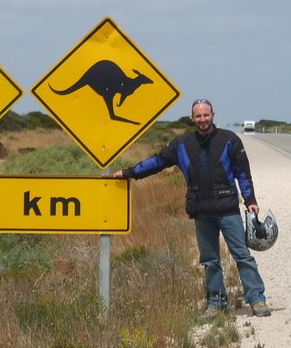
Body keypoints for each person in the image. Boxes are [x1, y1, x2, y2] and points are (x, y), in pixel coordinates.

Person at [114, 98, 271, 318]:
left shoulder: (230, 140)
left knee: (242, 256)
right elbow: (156, 162)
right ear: (192, 118)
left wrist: (250, 199)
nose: (202, 119)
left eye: (206, 115)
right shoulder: (181, 144)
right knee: (210, 260)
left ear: (213, 115)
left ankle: (257, 300)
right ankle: (216, 303)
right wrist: (128, 173)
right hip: (201, 210)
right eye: (198, 116)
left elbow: (243, 173)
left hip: (228, 208)